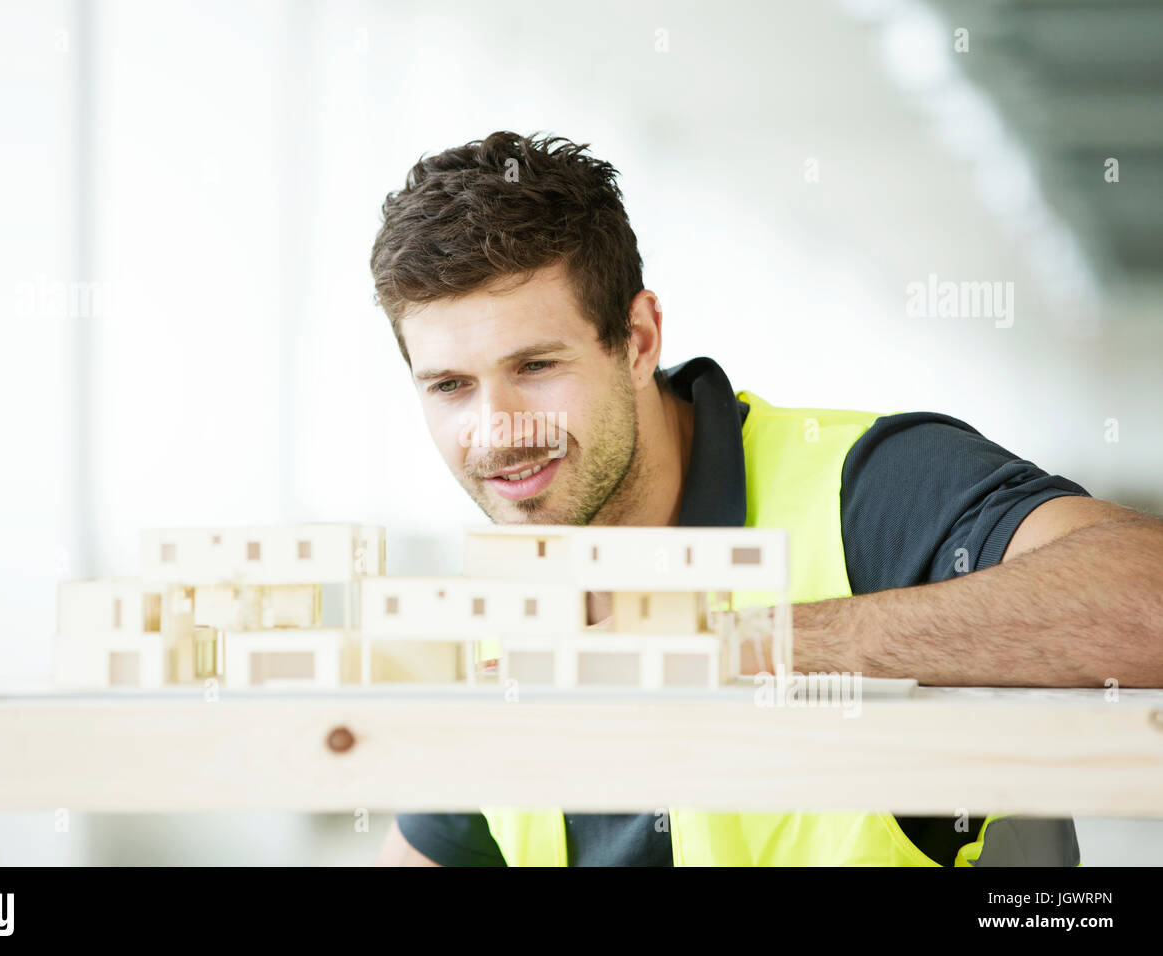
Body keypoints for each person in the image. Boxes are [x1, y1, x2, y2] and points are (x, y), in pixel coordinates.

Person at [365, 130, 1163, 866]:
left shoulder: (866, 488)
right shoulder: (503, 602)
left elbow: (1147, 600)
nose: (497, 431)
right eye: (450, 386)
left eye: (537, 366)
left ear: (639, 340)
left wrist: (728, 644)